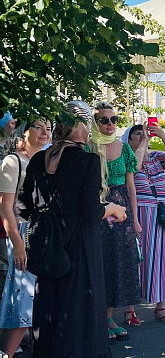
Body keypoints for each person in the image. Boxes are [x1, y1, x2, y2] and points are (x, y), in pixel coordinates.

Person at [17, 101, 127, 357]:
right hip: (80, 249)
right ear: (81, 125)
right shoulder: (87, 161)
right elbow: (90, 211)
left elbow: (22, 207)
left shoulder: (38, 160)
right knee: (80, 313)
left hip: (47, 248)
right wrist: (111, 208)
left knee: (49, 310)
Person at [87, 102, 141, 340]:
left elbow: (131, 186)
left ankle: (107, 318)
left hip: (121, 213)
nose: (110, 124)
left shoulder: (125, 149)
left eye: (113, 119)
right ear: (95, 123)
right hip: (96, 210)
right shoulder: (87, 148)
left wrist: (136, 219)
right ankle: (95, 318)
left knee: (118, 263)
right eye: (104, 120)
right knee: (97, 263)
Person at [0, 118, 51, 357]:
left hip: (43, 235)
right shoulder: (13, 161)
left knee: (38, 301)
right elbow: (5, 208)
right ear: (25, 132)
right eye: (38, 127)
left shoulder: (44, 161)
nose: (44, 132)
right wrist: (18, 245)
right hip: (22, 233)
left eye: (48, 128)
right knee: (22, 302)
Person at [124, 122, 165, 323]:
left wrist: (163, 136)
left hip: (160, 213)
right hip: (140, 211)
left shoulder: (156, 157)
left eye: (144, 134)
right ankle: (130, 309)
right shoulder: (127, 157)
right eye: (137, 135)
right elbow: (135, 167)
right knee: (137, 258)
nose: (142, 137)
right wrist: (143, 144)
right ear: (129, 140)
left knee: (161, 259)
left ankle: (161, 305)